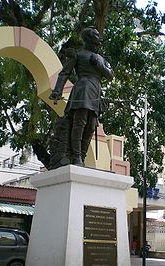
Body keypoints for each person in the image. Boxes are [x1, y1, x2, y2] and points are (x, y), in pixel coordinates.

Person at [49, 27, 114, 167]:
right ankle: (76, 157)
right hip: (82, 89)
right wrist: (57, 91)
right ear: (89, 38)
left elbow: (110, 76)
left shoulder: (101, 58)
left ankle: (82, 157)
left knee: (91, 126)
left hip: (96, 91)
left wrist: (99, 64)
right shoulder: (78, 55)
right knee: (80, 123)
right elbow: (64, 73)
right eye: (96, 35)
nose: (100, 38)